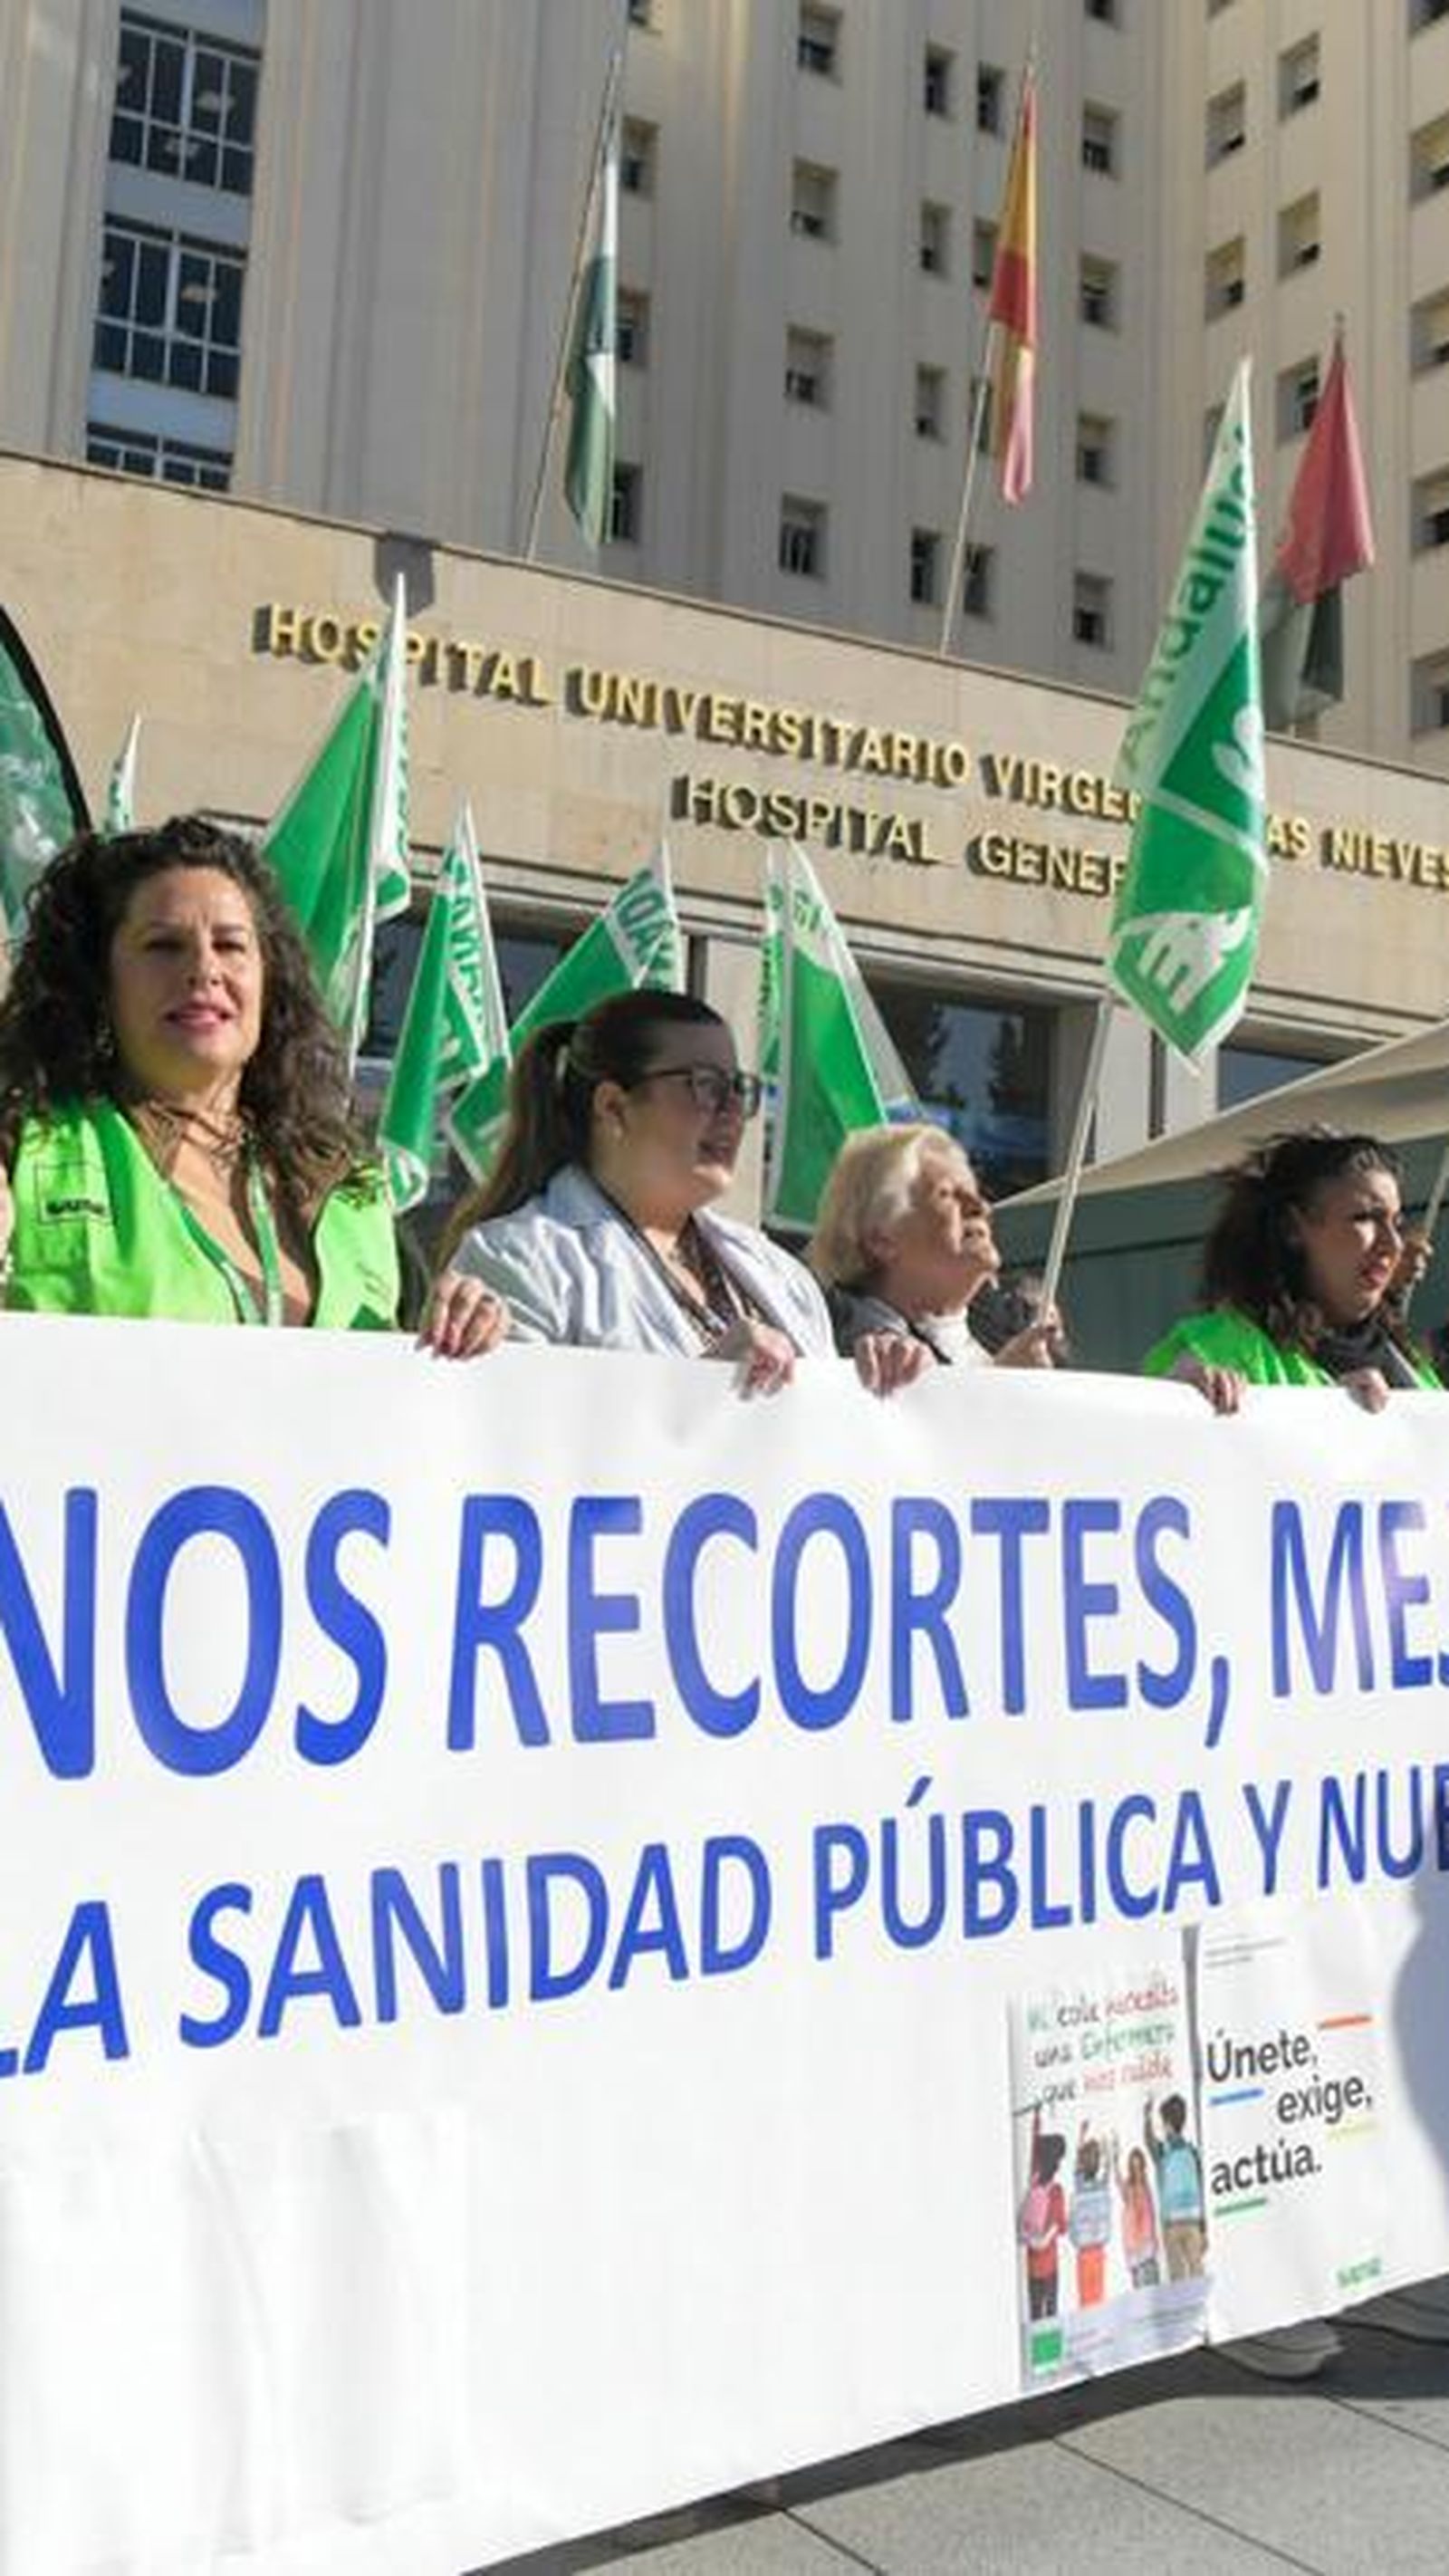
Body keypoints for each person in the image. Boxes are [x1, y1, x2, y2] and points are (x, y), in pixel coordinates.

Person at [0, 815, 504, 1354]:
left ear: (269, 978)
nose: (204, 970)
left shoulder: (351, 1189)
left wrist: (463, 1326)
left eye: (230, 945)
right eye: (164, 945)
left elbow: (401, 1383)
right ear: (98, 980)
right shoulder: (22, 1147)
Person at [439, 989, 920, 1392]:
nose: (732, 1111)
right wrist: (699, 1389)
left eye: (739, 1088)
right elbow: (512, 1445)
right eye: (704, 1085)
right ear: (613, 1107)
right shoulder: (516, 1259)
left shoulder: (778, 1271)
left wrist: (878, 1380)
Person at [1146, 1129, 1441, 1412]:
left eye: (1396, 1223)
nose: (1393, 1244)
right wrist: (1180, 1397)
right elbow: (1151, 1425)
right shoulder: (1223, 1349)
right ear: (1293, 1227)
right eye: (1364, 1218)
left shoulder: (1411, 1364)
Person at [809, 1123, 1060, 1370]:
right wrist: (1003, 1384)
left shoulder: (1018, 1328)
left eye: (975, 1191)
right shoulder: (842, 1350)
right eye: (946, 1194)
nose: (980, 1207)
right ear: (881, 1240)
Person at [1111, 2136, 1161, 2291]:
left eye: (1139, 2166)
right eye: (1134, 2167)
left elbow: (1152, 2216)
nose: (1137, 2170)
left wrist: (1155, 2240)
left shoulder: (1147, 2187)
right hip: (1134, 2246)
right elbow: (1119, 2182)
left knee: (1154, 2287)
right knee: (1139, 2290)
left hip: (1148, 2245)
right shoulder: (1129, 2187)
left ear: (1143, 2166)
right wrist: (1115, 2161)